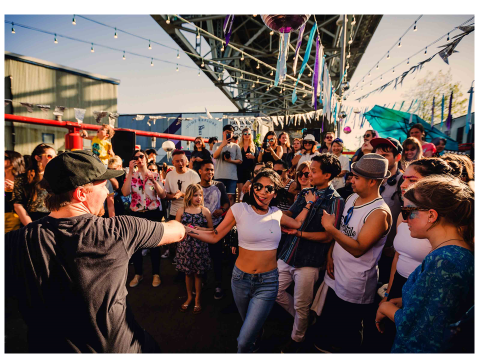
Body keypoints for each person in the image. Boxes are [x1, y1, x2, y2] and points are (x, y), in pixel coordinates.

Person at [5, 150, 186, 353]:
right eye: (103, 184)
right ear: (81, 193)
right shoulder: (120, 230)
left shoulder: (15, 242)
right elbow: (177, 232)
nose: (108, 191)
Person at [184, 168, 314, 352]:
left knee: (243, 340)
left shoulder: (276, 213)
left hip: (267, 283)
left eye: (269, 189)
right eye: (259, 186)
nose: (262, 192)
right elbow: (215, 236)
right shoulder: (239, 209)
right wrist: (187, 230)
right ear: (252, 188)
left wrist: (308, 205)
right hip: (240, 280)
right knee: (250, 324)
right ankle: (255, 340)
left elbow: (298, 223)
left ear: (275, 193)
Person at [375, 176, 474, 353]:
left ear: (431, 215)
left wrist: (386, 308)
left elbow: (423, 333)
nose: (404, 219)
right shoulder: (452, 252)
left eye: (408, 211)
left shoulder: (445, 262)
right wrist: (406, 300)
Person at [314, 153, 392, 353]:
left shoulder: (378, 212)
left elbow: (358, 249)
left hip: (355, 281)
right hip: (336, 273)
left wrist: (329, 230)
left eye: (356, 177)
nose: (351, 180)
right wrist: (331, 253)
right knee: (332, 322)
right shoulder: (352, 197)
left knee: (349, 331)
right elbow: (342, 229)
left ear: (373, 181)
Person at [276, 154, 345, 353]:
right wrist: (276, 214)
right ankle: (304, 320)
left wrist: (298, 232)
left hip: (309, 260)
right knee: (273, 290)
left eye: (313, 171)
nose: (309, 175)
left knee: (301, 304)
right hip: (288, 253)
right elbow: (290, 213)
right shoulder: (305, 192)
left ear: (327, 175)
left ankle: (297, 339)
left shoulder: (336, 201)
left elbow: (327, 237)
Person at [122, 149, 167, 288]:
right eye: (135, 157)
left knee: (154, 245)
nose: (139, 159)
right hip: (136, 213)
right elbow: (125, 192)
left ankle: (156, 274)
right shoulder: (131, 175)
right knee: (136, 245)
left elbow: (163, 195)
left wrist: (154, 181)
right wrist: (130, 171)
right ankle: (138, 274)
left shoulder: (154, 174)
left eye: (141, 156)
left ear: (146, 159)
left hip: (152, 212)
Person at [371, 137, 404, 285]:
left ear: (398, 157)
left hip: (389, 252)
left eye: (385, 156)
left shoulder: (404, 181)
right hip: (368, 249)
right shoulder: (369, 179)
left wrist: (395, 247)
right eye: (377, 155)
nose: (380, 159)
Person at [176, 184, 213, 314]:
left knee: (198, 273)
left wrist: (202, 229)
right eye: (195, 195)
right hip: (185, 246)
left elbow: (212, 229)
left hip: (199, 246)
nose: (198, 198)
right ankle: (189, 296)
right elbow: (176, 228)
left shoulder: (205, 211)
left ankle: (198, 298)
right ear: (189, 196)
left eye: (200, 195)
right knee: (188, 273)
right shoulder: (181, 210)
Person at [198, 159, 230, 299]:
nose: (210, 172)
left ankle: (218, 285)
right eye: (207, 169)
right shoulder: (194, 187)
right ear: (200, 171)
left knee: (216, 257)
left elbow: (226, 203)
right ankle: (202, 282)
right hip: (200, 228)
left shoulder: (219, 185)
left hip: (216, 227)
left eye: (212, 170)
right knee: (200, 256)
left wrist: (221, 210)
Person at [163, 150, 201, 260]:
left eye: (182, 161)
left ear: (187, 161)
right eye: (177, 161)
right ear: (173, 162)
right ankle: (173, 256)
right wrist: (173, 196)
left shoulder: (193, 175)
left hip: (190, 210)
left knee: (189, 236)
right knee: (173, 235)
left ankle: (188, 258)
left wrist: (183, 194)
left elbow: (199, 194)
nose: (180, 163)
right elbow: (166, 194)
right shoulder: (170, 175)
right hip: (174, 210)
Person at [13, 143, 56, 225]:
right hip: (31, 219)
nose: (54, 159)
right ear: (37, 158)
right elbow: (18, 204)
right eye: (50, 156)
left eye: (55, 156)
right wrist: (30, 226)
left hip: (53, 218)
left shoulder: (56, 176)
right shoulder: (23, 178)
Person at [213, 125, 243, 206]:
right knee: (218, 197)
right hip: (219, 175)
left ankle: (230, 216)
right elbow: (214, 156)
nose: (229, 134)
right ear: (223, 133)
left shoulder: (236, 146)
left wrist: (230, 160)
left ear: (233, 134)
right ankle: (220, 216)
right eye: (227, 132)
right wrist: (223, 145)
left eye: (230, 133)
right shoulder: (217, 145)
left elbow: (240, 161)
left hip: (232, 176)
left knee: (230, 197)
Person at [5, 151, 25, 233]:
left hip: (15, 219)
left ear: (13, 161)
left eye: (4, 158)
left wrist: (16, 189)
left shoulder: (23, 180)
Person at [236, 127, 258, 202]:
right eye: (245, 134)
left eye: (249, 134)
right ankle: (239, 210)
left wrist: (253, 157)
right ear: (242, 135)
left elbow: (258, 160)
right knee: (240, 193)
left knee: (248, 192)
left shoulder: (254, 147)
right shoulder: (239, 146)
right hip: (240, 170)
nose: (247, 135)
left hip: (249, 171)